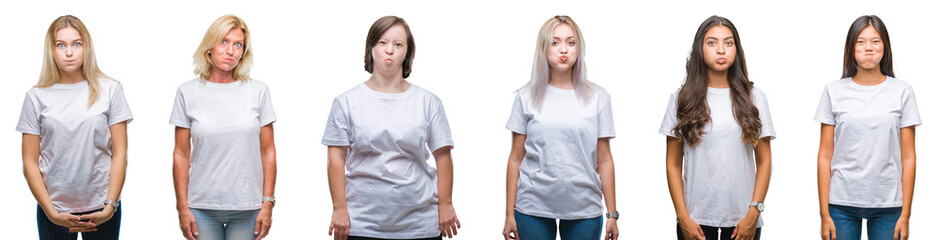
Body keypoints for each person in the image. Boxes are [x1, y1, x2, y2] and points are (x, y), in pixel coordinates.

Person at [323, 16, 460, 240]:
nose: (390, 50)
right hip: (362, 223)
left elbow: (443, 157)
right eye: (382, 42)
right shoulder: (346, 102)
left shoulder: (428, 102)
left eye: (398, 44)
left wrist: (446, 204)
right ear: (371, 48)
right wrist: (339, 209)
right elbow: (335, 159)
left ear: (407, 53)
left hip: (420, 224)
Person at [502, 15, 619, 240]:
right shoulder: (525, 97)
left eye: (570, 42)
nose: (563, 49)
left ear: (579, 48)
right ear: (543, 48)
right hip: (532, 206)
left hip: (584, 208)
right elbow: (515, 158)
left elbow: (604, 159)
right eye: (554, 42)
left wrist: (612, 214)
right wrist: (509, 214)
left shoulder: (598, 98)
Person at [660, 15, 774, 240]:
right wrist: (682, 217)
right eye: (712, 42)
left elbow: (764, 161)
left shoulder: (754, 98)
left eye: (728, 43)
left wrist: (754, 213)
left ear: (736, 49)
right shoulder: (681, 98)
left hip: (743, 220)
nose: (721, 50)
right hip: (695, 221)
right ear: (700, 48)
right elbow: (673, 163)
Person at [18, 15, 132, 240]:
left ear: (86, 47)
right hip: (54, 208)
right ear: (51, 50)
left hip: (102, 206)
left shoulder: (111, 90)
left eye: (76, 44)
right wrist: (51, 213)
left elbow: (120, 153)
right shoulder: (35, 97)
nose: (69, 52)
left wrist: (110, 206)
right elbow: (29, 162)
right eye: (61, 45)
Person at [171, 14, 277, 240]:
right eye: (223, 42)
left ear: (243, 52)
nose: (230, 51)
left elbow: (268, 151)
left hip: (248, 206)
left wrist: (268, 203)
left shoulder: (258, 91)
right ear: (209, 47)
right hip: (201, 206)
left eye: (238, 45)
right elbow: (181, 154)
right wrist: (182, 207)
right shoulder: (187, 92)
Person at [816, 15, 919, 240]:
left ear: (885, 46)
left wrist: (906, 215)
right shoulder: (833, 91)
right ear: (851, 47)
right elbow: (825, 155)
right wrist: (824, 214)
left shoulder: (903, 92)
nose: (868, 48)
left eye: (875, 41)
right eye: (860, 42)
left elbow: (908, 156)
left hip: (888, 204)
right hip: (841, 203)